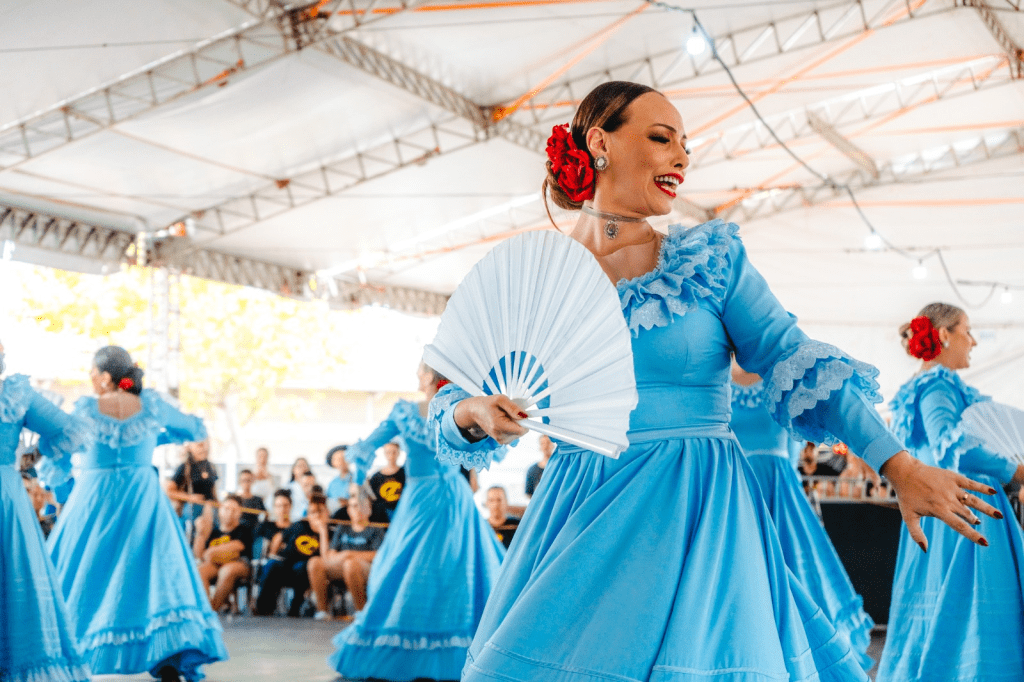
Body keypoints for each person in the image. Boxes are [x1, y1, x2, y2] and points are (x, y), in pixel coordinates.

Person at [427, 81, 1002, 682]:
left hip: (699, 508)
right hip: (578, 513)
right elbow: (448, 405)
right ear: (599, 142)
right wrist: (471, 412)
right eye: (660, 138)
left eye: (685, 145)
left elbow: (796, 362)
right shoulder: (538, 280)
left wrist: (899, 466)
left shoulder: (710, 263)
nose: (681, 156)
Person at [47, 346, 227, 682]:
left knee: (85, 571)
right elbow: (193, 428)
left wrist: (60, 488)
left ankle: (66, 655)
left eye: (91, 372)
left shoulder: (87, 409)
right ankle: (168, 655)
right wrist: (156, 436)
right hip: (141, 495)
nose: (89, 378)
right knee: (153, 574)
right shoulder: (152, 406)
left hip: (94, 497)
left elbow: (56, 448)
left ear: (104, 377)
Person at [328, 363, 505, 681]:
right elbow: (490, 448)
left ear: (428, 378)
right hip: (455, 499)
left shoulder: (407, 412)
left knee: (406, 566)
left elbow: (363, 449)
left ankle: (400, 645)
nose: (417, 377)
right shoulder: (461, 409)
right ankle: (471, 648)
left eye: (420, 371)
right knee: (458, 568)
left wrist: (358, 485)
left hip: (422, 500)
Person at [877, 303, 1024, 681]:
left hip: (947, 510)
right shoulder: (937, 385)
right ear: (944, 335)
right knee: (978, 613)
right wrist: (1015, 469)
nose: (973, 342)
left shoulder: (928, 385)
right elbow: (950, 445)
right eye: (967, 331)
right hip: (965, 509)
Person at [730, 362, 874, 671]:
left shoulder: (783, 381)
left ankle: (801, 658)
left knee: (797, 573)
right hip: (736, 491)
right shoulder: (716, 382)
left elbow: (817, 431)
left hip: (780, 494)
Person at [0, 342, 91, 682]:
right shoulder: (14, 394)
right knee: (13, 577)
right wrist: (33, 456)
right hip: (5, 494)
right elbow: (70, 431)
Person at [308, 487, 385, 620]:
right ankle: (322, 611)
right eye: (353, 506)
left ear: (369, 509)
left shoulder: (376, 530)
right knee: (315, 562)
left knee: (350, 564)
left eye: (360, 506)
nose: (356, 509)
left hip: (365, 569)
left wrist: (348, 554)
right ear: (348, 510)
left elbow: (377, 555)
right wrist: (323, 531)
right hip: (341, 566)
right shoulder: (342, 529)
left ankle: (361, 611)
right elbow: (328, 556)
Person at [254, 492, 329, 617]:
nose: (316, 515)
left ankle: (294, 609)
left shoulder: (329, 532)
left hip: (306, 567)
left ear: (326, 513)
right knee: (272, 564)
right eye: (312, 512)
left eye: (319, 512)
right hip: (286, 562)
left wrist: (322, 531)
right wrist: (273, 554)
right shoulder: (299, 525)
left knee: (302, 567)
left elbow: (325, 555)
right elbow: (279, 537)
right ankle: (263, 609)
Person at [197, 495, 253, 613]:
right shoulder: (214, 531)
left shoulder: (244, 529)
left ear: (239, 513)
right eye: (226, 509)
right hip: (215, 564)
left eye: (234, 510)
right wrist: (200, 534)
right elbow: (199, 555)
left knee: (227, 570)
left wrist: (212, 551)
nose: (230, 513)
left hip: (239, 564)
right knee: (199, 571)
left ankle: (213, 610)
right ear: (220, 510)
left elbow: (238, 546)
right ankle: (206, 608)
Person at [167, 439, 218, 542]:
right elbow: (169, 491)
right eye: (199, 445)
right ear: (190, 447)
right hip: (192, 509)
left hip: (211, 509)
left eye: (204, 444)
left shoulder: (211, 466)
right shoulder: (185, 467)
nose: (202, 447)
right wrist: (190, 497)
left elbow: (213, 491)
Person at [367, 441, 405, 519]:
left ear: (398, 453)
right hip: (382, 515)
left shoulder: (406, 474)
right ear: (384, 453)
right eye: (388, 452)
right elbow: (371, 498)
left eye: (394, 452)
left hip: (402, 512)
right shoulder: (375, 477)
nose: (391, 455)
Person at [485, 485, 520, 550]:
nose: (496, 504)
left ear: (506, 501)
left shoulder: (518, 526)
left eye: (499, 500)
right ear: (486, 503)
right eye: (491, 500)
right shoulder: (481, 527)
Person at [287, 457, 311, 521]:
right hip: (292, 521)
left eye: (305, 466)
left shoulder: (314, 487)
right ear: (293, 469)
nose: (303, 469)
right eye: (299, 466)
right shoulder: (287, 487)